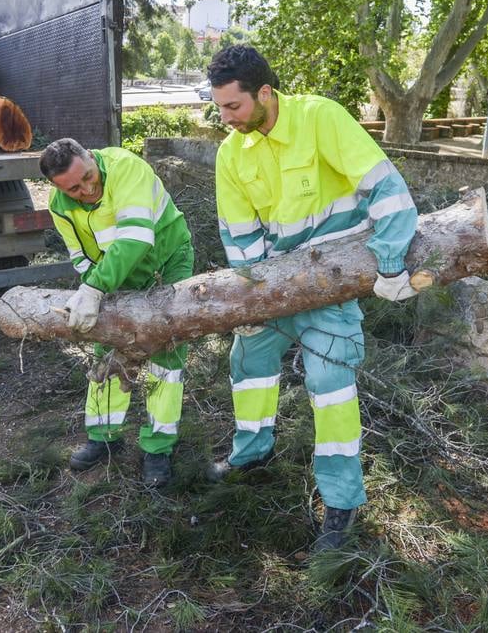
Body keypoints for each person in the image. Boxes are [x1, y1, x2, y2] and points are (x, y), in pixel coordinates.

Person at [205, 45, 420, 551]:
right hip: (275, 291)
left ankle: (342, 501)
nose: (225, 118)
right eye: (218, 107)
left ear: (264, 93)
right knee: (248, 361)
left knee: (330, 385)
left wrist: (391, 257)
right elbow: (239, 238)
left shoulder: (321, 118)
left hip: (332, 285)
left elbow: (385, 188)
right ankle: (253, 452)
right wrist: (252, 301)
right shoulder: (230, 154)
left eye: (232, 106)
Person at [39, 137, 195, 487]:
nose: (86, 190)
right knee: (104, 347)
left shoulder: (126, 167)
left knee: (165, 352)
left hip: (166, 263)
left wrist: (95, 288)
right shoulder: (59, 204)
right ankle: (103, 436)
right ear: (55, 186)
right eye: (73, 188)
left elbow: (137, 238)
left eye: (89, 178)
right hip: (113, 276)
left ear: (90, 157)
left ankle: (158, 446)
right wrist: (94, 290)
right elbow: (80, 255)